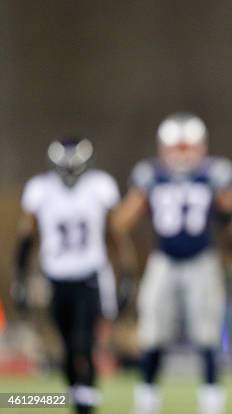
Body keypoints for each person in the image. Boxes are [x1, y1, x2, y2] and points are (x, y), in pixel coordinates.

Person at [113, 112, 232, 414]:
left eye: (187, 147)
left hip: (202, 259)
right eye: (177, 147)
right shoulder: (150, 174)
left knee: (208, 333)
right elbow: (123, 220)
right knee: (152, 331)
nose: (182, 154)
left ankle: (211, 400)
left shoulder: (214, 173)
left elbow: (230, 215)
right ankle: (147, 398)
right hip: (164, 260)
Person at [13, 137, 134, 414]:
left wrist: (126, 274)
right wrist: (19, 277)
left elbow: (115, 235)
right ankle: (77, 397)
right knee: (66, 346)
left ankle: (86, 403)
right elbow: (26, 237)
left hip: (89, 275)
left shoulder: (99, 187)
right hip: (55, 277)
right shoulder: (40, 190)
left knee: (84, 341)